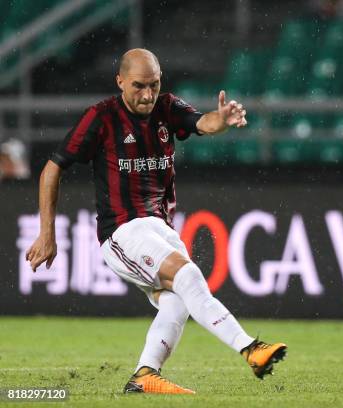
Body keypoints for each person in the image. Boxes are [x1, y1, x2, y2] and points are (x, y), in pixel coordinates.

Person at [25, 48, 286, 395]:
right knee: (189, 275)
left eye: (154, 85)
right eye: (138, 86)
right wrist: (47, 233)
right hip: (123, 231)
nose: (147, 95)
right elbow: (52, 167)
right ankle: (250, 348)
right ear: (120, 81)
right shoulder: (101, 118)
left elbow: (202, 123)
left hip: (160, 228)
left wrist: (220, 120)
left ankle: (145, 375)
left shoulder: (167, 107)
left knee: (178, 300)